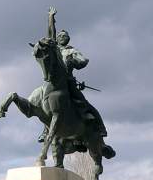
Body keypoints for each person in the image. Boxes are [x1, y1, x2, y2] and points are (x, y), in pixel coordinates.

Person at [40, 8, 107, 142]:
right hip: (52, 81)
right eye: (59, 36)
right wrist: (51, 18)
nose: (60, 37)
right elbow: (50, 33)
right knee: (41, 103)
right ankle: (44, 131)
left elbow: (83, 61)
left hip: (68, 81)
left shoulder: (72, 51)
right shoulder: (54, 48)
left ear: (68, 39)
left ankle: (100, 127)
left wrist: (74, 61)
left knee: (84, 103)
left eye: (64, 36)